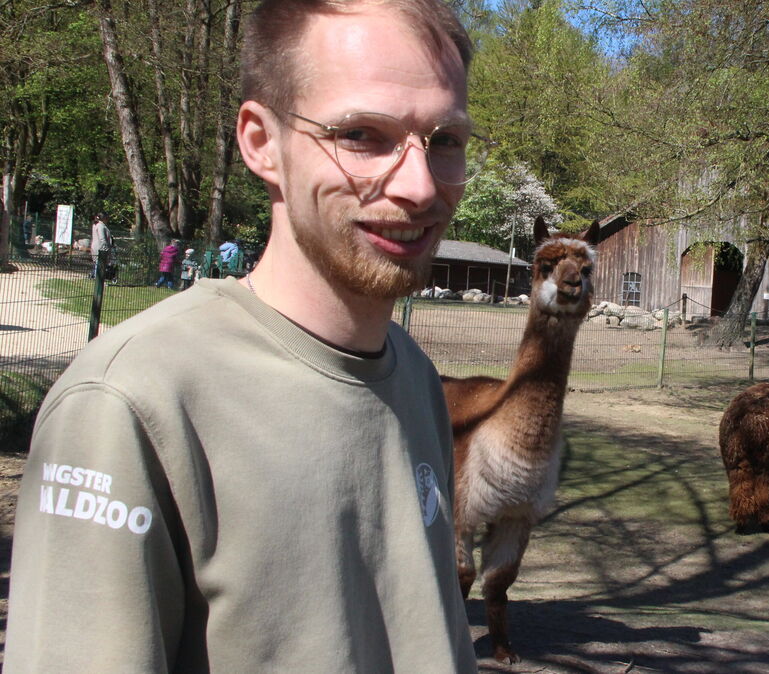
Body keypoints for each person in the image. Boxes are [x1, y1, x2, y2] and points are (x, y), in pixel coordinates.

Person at [6, 1, 479, 671]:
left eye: (445, 140)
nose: (418, 184)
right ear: (261, 143)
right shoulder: (131, 402)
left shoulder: (415, 378)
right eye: (363, 135)